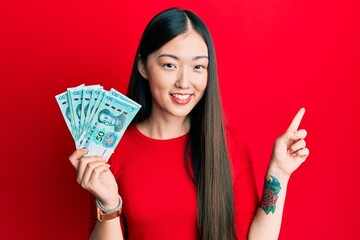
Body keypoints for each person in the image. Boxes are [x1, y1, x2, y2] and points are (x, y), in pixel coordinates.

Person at [69, 7, 309, 240]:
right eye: (170, 65)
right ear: (143, 66)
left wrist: (279, 172)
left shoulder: (229, 143)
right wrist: (109, 205)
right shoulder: (111, 147)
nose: (184, 82)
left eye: (198, 67)